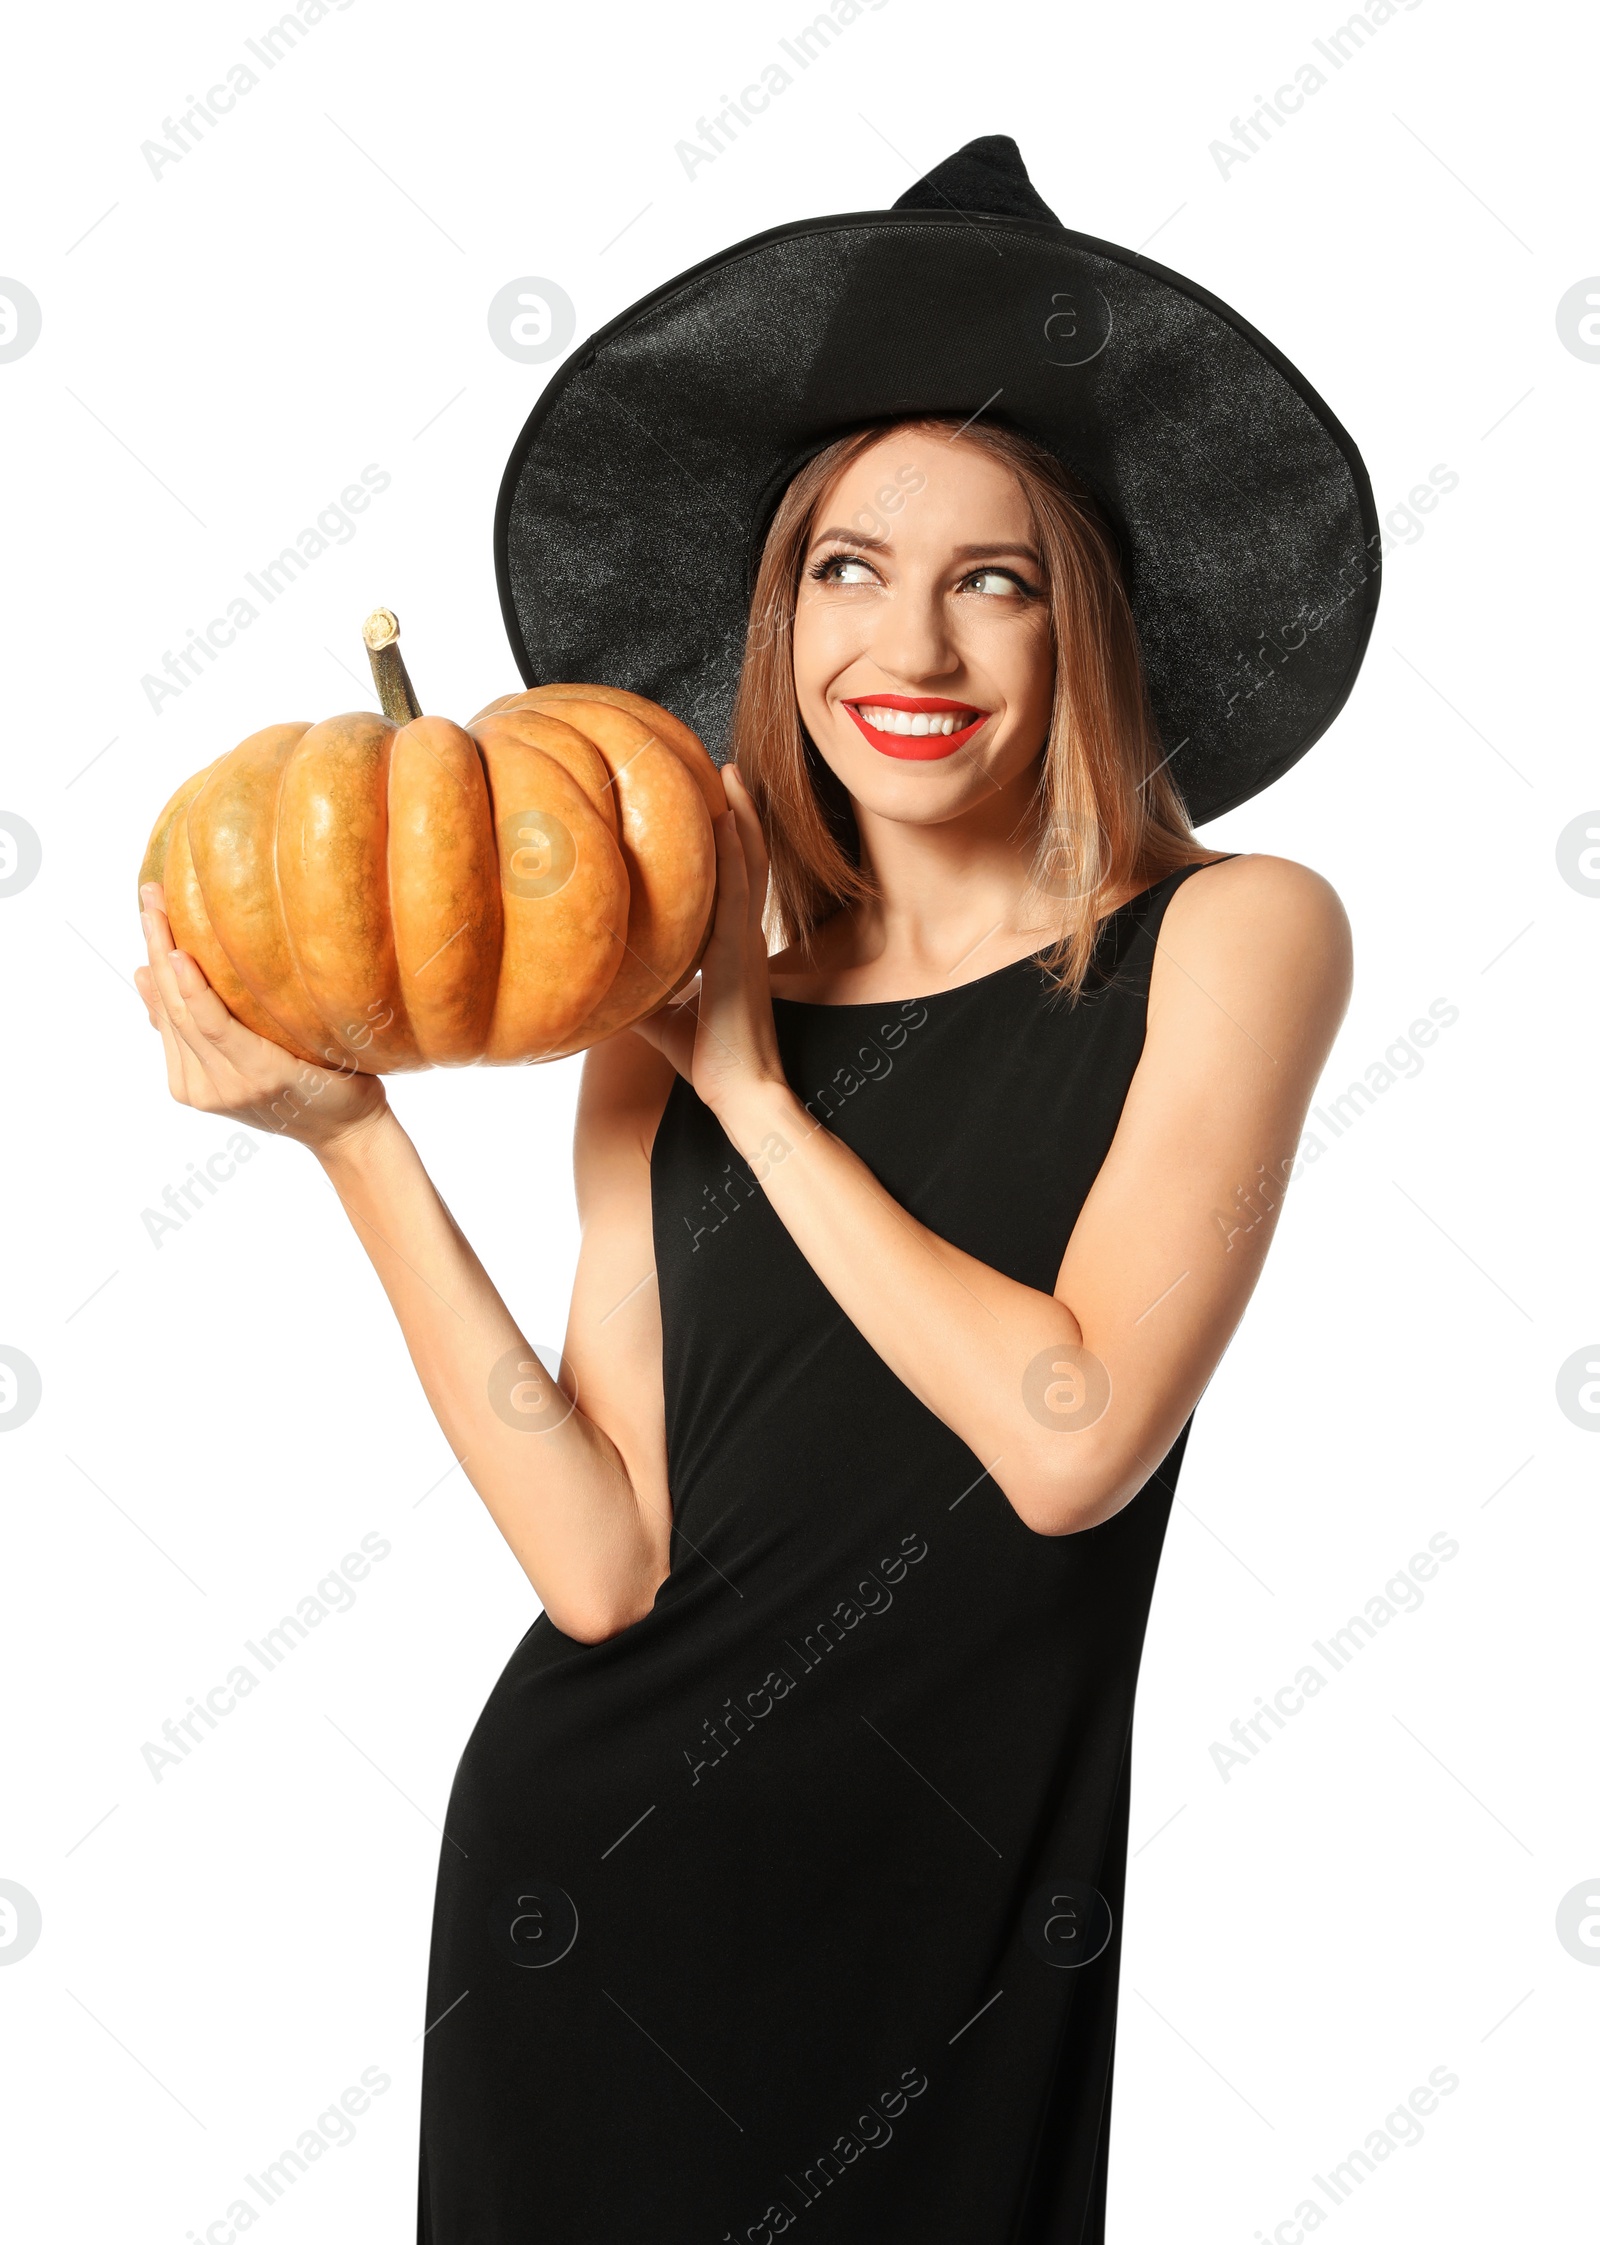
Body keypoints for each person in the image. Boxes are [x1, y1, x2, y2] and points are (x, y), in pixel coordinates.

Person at [136, 140, 1375, 2245]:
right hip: (591, 1891)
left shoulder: (1237, 933)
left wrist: (761, 1093)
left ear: (1080, 615)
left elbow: (1068, 1445)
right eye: (843, 567)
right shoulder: (658, 1007)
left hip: (956, 1933)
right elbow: (602, 1560)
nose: (913, 641)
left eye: (992, 575)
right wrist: (356, 1143)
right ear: (774, 609)